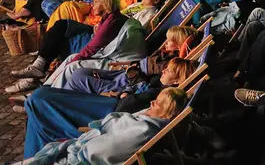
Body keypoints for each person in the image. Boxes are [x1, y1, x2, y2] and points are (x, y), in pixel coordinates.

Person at [0, 87, 187, 165]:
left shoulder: (144, 129)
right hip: (79, 151)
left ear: (166, 112)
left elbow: (101, 151)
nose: (152, 102)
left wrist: (79, 147)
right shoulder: (146, 119)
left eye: (158, 103)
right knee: (31, 162)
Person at [21, 59, 198, 155]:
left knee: (38, 101)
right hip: (110, 105)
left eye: (169, 70)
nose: (163, 70)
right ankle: (31, 162)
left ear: (177, 81)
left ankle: (31, 162)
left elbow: (133, 105)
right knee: (39, 103)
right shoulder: (158, 86)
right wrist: (127, 92)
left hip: (109, 113)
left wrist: (126, 94)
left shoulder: (165, 95)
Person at [6, 0, 126, 95]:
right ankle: (38, 76)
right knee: (60, 27)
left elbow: (92, 48)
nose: (92, 4)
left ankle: (38, 82)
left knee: (60, 39)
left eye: (96, 2)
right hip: (91, 33)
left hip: (99, 50)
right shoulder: (108, 19)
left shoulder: (111, 23)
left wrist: (72, 62)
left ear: (106, 5)